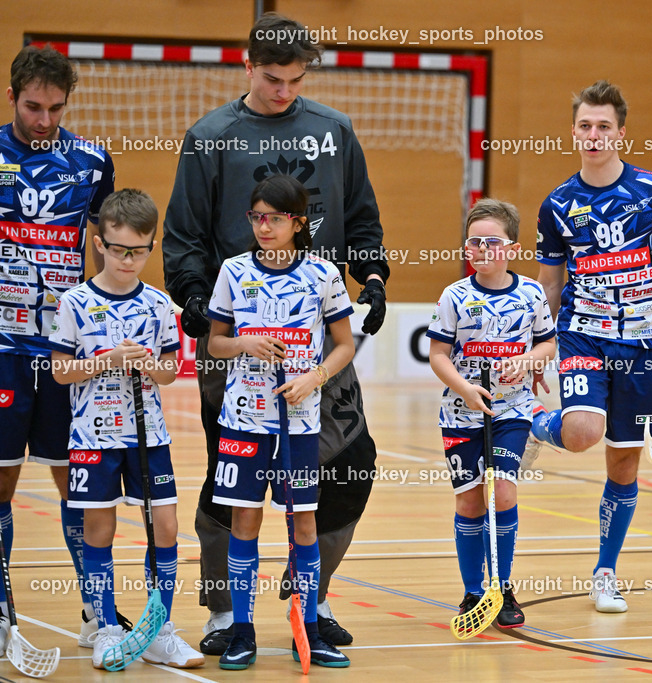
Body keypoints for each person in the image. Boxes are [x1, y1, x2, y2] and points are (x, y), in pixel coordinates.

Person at [162, 12, 388, 653]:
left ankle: (305, 603)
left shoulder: (334, 130)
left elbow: (362, 220)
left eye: (294, 79)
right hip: (233, 339)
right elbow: (182, 238)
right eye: (271, 78)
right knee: (229, 480)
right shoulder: (211, 137)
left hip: (317, 338)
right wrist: (196, 303)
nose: (284, 90)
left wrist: (370, 277)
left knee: (349, 468)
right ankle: (220, 614)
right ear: (246, 66)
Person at [528, 80, 652, 613]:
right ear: (573, 132)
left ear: (620, 132)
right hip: (582, 334)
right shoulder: (557, 205)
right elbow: (548, 284)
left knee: (623, 467)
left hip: (640, 344)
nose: (593, 135)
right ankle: (533, 422)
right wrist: (540, 345)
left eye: (603, 126)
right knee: (585, 431)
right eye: (585, 126)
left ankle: (605, 571)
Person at [0, 44, 130, 650]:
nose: (44, 119)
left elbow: (113, 248)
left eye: (55, 107)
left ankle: (97, 612)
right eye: (33, 107)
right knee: (1, 483)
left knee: (77, 483)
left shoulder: (91, 161)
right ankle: (3, 612)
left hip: (63, 353)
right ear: (12, 98)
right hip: (0, 348)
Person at [49, 189, 204, 669]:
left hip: (149, 436)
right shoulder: (74, 301)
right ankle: (107, 630)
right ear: (100, 243)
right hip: (93, 439)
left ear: (151, 247)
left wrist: (150, 367)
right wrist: (106, 361)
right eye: (118, 249)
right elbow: (59, 370)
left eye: (138, 251)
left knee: (166, 526)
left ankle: (158, 630)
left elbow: (169, 370)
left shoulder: (159, 304)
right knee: (100, 528)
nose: (128, 260)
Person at [207, 174, 355, 670]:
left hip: (301, 419)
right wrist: (244, 344)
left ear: (297, 222)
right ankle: (242, 631)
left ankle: (308, 629)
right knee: (245, 519)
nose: (263, 226)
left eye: (274, 217)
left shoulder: (323, 275)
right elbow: (215, 344)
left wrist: (314, 378)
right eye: (256, 217)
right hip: (244, 421)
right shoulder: (232, 270)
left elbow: (344, 345)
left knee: (305, 523)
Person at [428, 199, 556, 628]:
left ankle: (501, 586)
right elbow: (438, 354)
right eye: (473, 242)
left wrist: (527, 360)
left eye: (491, 242)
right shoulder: (455, 295)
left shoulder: (531, 293)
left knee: (502, 493)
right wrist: (463, 388)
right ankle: (472, 592)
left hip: (512, 410)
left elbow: (547, 343)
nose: (481, 249)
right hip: (461, 413)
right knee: (469, 500)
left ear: (512, 248)